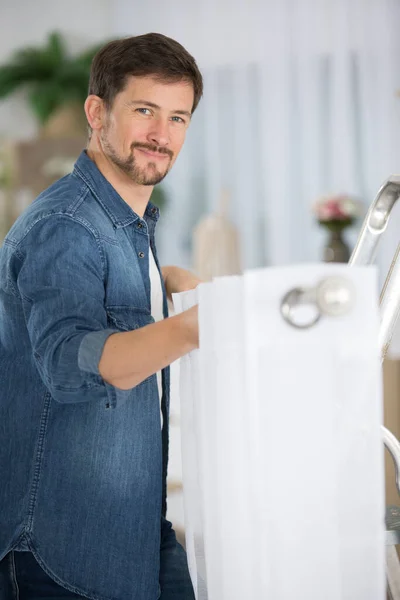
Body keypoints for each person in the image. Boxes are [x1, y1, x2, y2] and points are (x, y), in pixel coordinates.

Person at [0, 32, 203, 600]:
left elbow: (99, 298)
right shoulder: (66, 226)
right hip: (58, 550)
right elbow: (70, 360)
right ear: (97, 112)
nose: (161, 135)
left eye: (178, 117)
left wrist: (167, 285)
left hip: (132, 532)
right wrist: (191, 326)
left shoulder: (125, 229)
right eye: (144, 111)